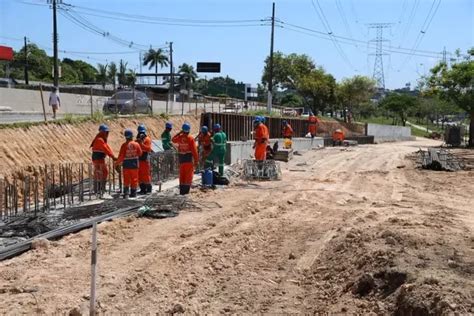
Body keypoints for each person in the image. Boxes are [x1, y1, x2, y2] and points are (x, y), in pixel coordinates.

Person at [172, 122, 199, 195]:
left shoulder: (179, 137)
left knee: (182, 175)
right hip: (188, 159)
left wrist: (179, 133)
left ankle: (181, 191)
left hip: (181, 159)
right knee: (188, 176)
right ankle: (186, 192)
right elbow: (194, 150)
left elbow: (173, 139)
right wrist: (196, 160)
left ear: (182, 130)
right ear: (189, 130)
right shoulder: (190, 138)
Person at [115, 129, 142, 198]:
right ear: (132, 136)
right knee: (134, 179)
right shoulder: (136, 144)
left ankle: (126, 194)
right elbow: (140, 153)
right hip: (134, 164)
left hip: (126, 165)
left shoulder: (124, 145)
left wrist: (116, 164)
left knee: (126, 179)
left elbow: (121, 156)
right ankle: (133, 193)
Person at [90, 124, 116, 193]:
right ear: (102, 132)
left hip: (99, 158)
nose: (107, 134)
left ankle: (100, 188)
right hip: (98, 158)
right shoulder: (99, 140)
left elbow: (107, 148)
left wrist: (113, 155)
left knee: (101, 172)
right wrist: (112, 156)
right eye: (106, 132)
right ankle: (99, 188)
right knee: (101, 172)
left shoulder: (101, 139)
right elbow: (105, 149)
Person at [136, 124, 152, 194]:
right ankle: (142, 189)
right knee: (139, 175)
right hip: (139, 160)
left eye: (142, 132)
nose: (141, 134)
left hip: (145, 160)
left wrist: (141, 144)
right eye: (140, 132)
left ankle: (148, 189)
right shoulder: (137, 141)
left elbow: (148, 149)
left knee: (146, 175)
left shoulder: (147, 140)